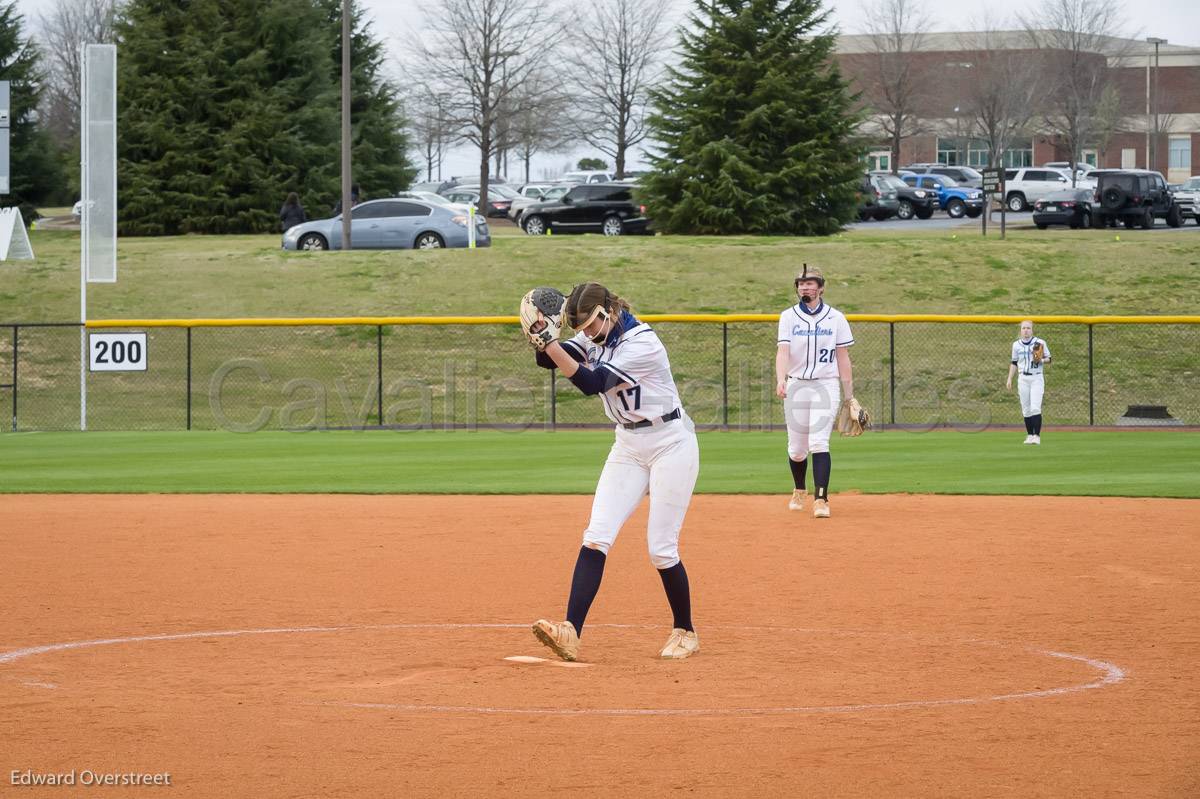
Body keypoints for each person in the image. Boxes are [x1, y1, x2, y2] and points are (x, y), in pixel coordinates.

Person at [527, 282, 701, 662]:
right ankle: (570, 632)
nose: (586, 333)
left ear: (608, 312)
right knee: (596, 535)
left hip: (671, 442)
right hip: (628, 445)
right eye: (582, 328)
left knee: (661, 548)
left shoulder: (643, 343)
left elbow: (592, 383)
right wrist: (541, 336)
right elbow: (550, 360)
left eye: (591, 325)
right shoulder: (596, 339)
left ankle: (685, 631)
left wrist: (548, 343)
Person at [775, 264, 856, 519]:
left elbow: (843, 357)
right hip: (797, 384)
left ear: (820, 288)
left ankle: (821, 499)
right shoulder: (788, 316)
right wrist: (781, 379)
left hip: (826, 384)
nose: (804, 286)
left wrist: (849, 395)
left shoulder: (836, 317)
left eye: (810, 283)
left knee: (819, 441)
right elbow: (783, 351)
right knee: (797, 449)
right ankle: (800, 489)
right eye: (801, 283)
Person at [1006, 320, 1051, 444]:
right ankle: (1030, 435)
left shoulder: (1039, 343)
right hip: (1023, 378)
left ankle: (1037, 436)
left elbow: (1049, 358)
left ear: (1032, 330)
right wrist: (1010, 378)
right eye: (1024, 328)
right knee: (1025, 409)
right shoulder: (1016, 345)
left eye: (1028, 328)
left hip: (1036, 377)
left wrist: (1041, 360)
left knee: (1035, 407)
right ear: (1020, 330)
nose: (1026, 330)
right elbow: (1014, 362)